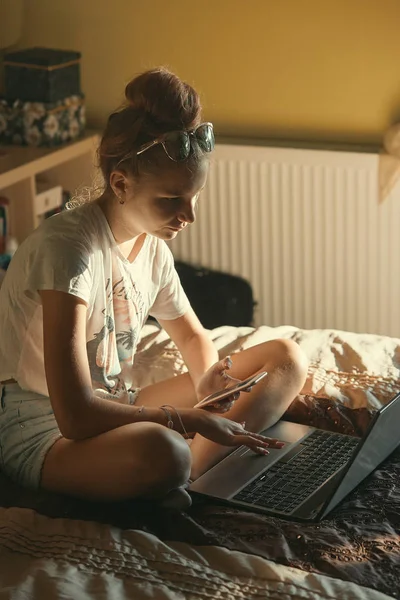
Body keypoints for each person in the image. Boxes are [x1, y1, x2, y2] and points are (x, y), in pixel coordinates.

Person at [0, 68, 308, 509]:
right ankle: (182, 468)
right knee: (163, 451)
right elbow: (75, 414)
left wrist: (209, 390)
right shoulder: (68, 249)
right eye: (172, 200)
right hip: (43, 427)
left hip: (113, 403)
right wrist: (187, 418)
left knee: (285, 358)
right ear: (121, 183)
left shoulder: (153, 246)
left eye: (193, 197)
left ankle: (193, 475)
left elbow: (191, 335)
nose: (188, 216)